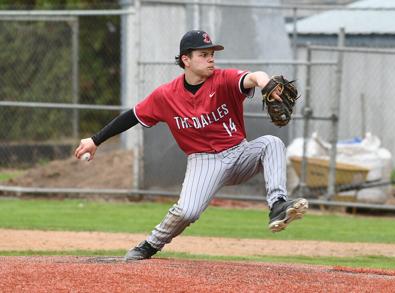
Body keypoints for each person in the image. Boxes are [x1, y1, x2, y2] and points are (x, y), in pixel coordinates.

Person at [74, 30, 308, 261]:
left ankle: (277, 204)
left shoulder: (223, 79)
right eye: (203, 54)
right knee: (187, 211)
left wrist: (266, 84)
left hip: (240, 153)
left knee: (272, 143)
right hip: (203, 161)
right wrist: (95, 140)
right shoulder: (166, 95)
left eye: (212, 54)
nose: (211, 59)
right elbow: (132, 116)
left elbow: (254, 76)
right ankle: (150, 245)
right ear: (186, 59)